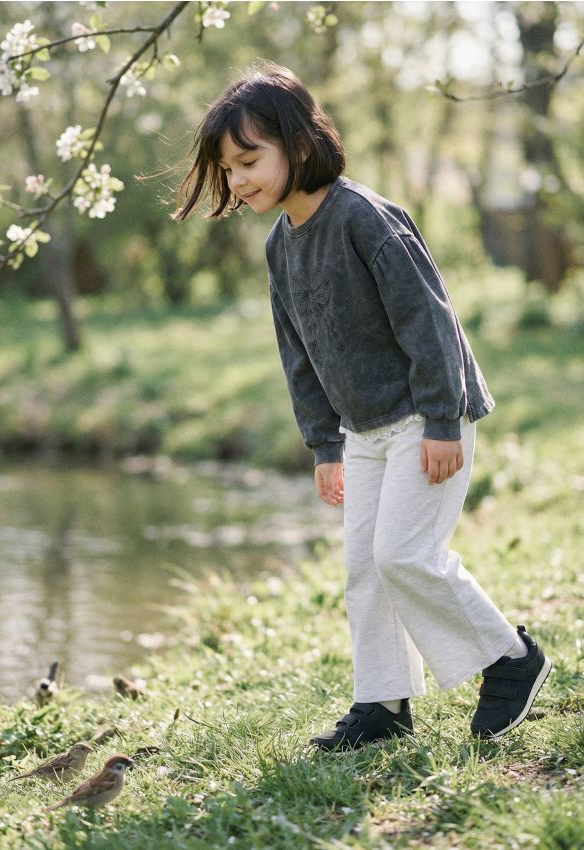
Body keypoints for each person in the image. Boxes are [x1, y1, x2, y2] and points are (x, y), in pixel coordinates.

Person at [173, 61, 552, 749]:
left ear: (299, 143)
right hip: (365, 432)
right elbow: (299, 353)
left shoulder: (362, 218)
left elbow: (430, 323)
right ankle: (381, 707)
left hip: (427, 419)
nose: (237, 181)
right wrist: (324, 444)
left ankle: (510, 659)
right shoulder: (279, 247)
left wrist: (442, 420)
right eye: (227, 171)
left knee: (403, 555)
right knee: (362, 572)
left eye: (248, 160)